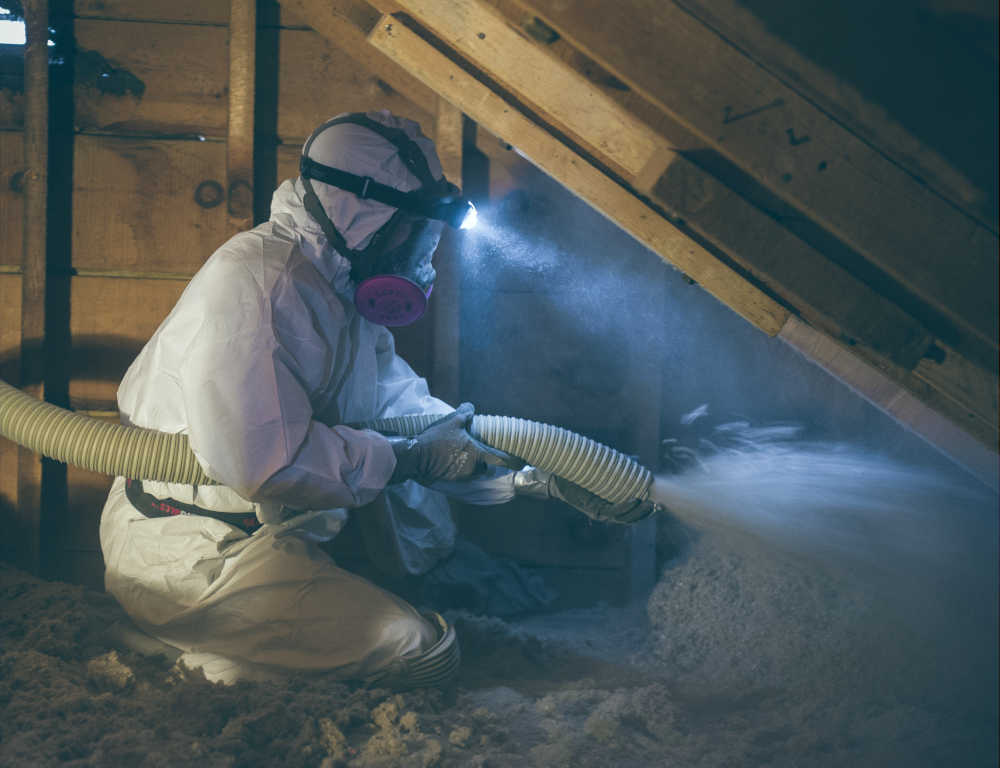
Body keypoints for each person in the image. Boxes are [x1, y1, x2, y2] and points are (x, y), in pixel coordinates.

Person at [99, 110, 657, 688]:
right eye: (416, 231)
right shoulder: (262, 282)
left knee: (401, 614)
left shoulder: (335, 291)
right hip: (191, 556)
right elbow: (260, 460)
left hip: (267, 541)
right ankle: (172, 649)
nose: (423, 253)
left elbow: (405, 411)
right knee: (418, 651)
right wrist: (410, 459)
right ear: (365, 215)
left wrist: (538, 476)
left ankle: (238, 651)